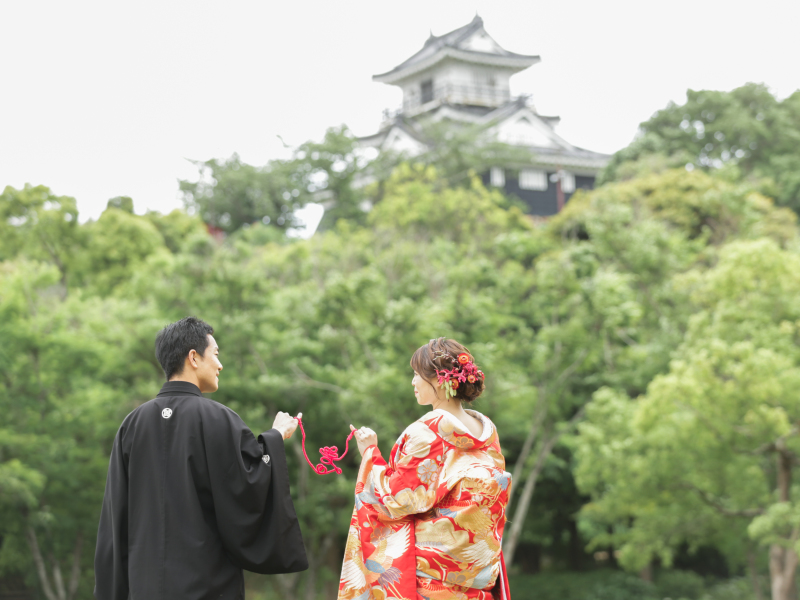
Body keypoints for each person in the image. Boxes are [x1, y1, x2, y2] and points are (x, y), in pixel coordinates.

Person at [94, 317, 308, 600]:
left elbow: (115, 514)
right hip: (206, 586)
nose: (220, 365)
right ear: (193, 357)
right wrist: (275, 437)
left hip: (144, 587)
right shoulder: (219, 419)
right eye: (216, 354)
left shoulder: (132, 425)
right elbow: (249, 487)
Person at [338, 338, 512, 600]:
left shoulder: (426, 431)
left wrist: (370, 453)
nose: (413, 382)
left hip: (431, 581)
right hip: (478, 578)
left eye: (417, 374)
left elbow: (397, 500)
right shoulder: (487, 432)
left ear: (440, 380)